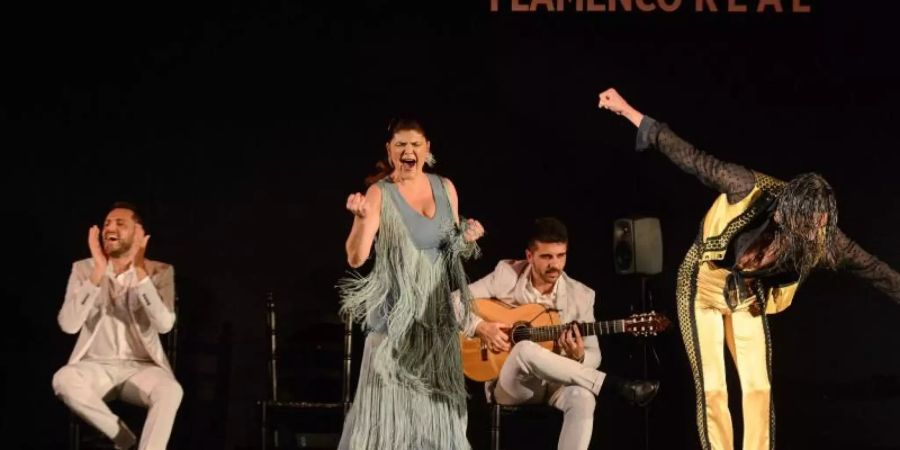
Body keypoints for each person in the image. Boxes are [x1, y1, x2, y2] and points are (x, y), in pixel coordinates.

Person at [598, 87, 900, 450]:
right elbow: (690, 157)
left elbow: (875, 270)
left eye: (820, 227)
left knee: (758, 387)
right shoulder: (745, 186)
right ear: (789, 214)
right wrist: (628, 111)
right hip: (702, 290)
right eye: (809, 226)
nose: (815, 235)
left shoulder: (826, 238)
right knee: (714, 388)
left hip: (746, 299)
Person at [338, 118, 485, 450]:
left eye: (415, 145)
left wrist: (467, 238)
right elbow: (356, 258)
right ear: (390, 151)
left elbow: (451, 251)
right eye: (401, 145)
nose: (409, 151)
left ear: (427, 149)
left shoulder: (445, 188)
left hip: (435, 325)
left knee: (437, 423)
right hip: (396, 324)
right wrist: (361, 221)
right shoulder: (379, 194)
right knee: (391, 427)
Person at [454, 217, 659, 450]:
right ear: (530, 256)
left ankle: (603, 386)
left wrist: (579, 356)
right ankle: (614, 385)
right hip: (514, 385)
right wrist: (481, 327)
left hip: (557, 384)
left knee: (584, 399)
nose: (555, 265)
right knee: (523, 348)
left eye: (561, 256)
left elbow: (595, 355)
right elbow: (452, 301)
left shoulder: (581, 295)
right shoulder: (506, 274)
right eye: (547, 257)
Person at [52, 202, 181, 450]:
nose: (109, 227)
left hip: (141, 369)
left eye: (120, 223)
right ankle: (122, 436)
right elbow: (68, 326)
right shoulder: (83, 269)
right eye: (107, 224)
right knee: (63, 379)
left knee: (171, 391)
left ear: (139, 233)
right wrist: (98, 272)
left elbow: (164, 326)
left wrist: (141, 273)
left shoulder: (160, 271)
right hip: (96, 366)